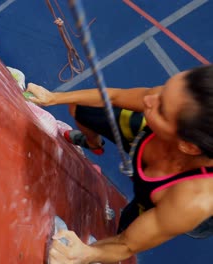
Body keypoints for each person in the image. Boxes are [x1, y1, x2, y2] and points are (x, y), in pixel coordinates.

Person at [26, 65, 213, 263]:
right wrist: (53, 97)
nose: (150, 98)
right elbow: (114, 97)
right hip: (151, 138)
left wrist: (85, 254)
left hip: (166, 194)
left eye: (161, 109)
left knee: (125, 231)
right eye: (164, 90)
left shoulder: (191, 200)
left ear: (188, 146)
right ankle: (91, 143)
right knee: (83, 108)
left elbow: (125, 245)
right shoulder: (168, 102)